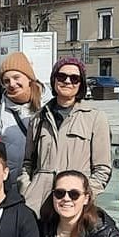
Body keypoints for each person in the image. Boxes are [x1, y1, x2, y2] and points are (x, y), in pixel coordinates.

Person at [18, 57, 112, 216]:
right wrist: (27, 189)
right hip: (38, 205)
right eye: (62, 76)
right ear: (54, 80)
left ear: (81, 84)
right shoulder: (38, 118)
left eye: (74, 78)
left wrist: (85, 195)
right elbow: (28, 163)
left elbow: (102, 168)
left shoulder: (95, 118)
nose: (67, 81)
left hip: (74, 204)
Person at [0, 52, 45, 183]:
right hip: (12, 184)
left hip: (42, 183)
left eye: (16, 77)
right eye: (6, 81)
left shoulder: (48, 108)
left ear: (29, 77)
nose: (12, 84)